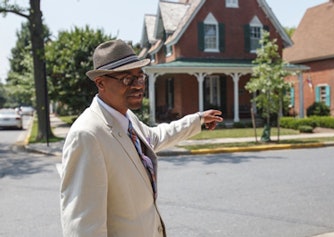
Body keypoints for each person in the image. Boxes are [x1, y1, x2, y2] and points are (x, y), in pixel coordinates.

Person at [60, 39, 223, 237]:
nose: (138, 85)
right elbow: (83, 226)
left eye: (140, 77)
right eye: (127, 79)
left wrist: (197, 121)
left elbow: (154, 137)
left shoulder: (126, 118)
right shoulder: (87, 135)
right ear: (101, 83)